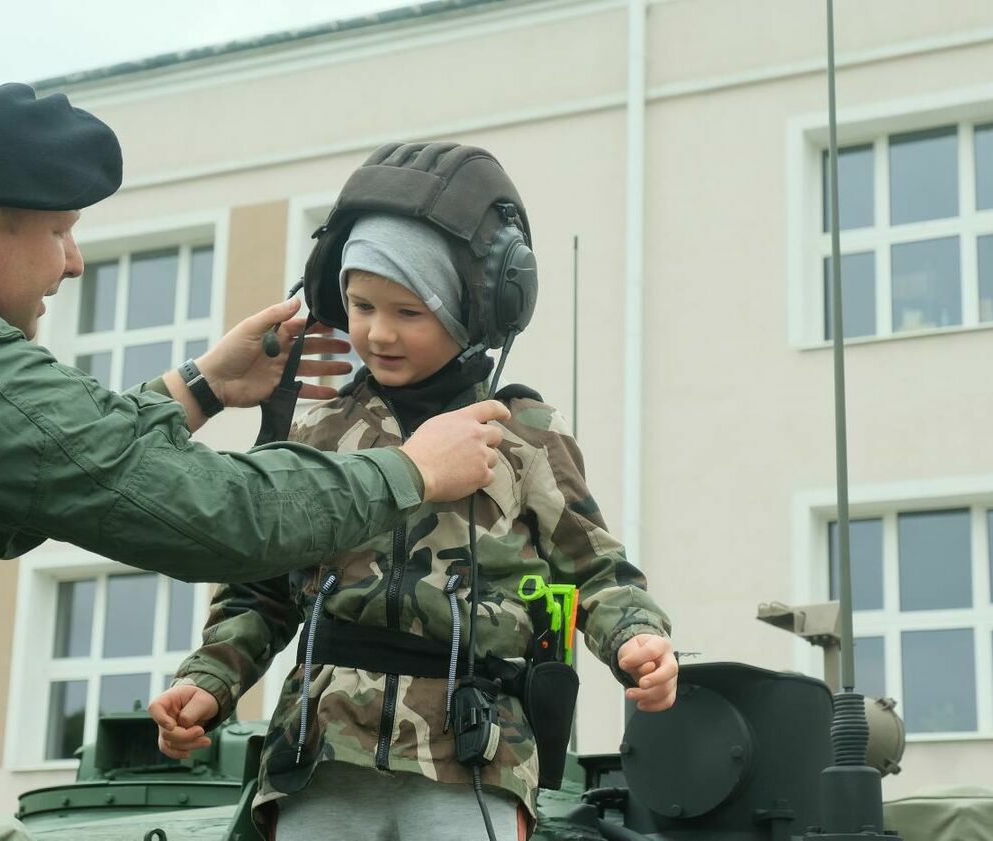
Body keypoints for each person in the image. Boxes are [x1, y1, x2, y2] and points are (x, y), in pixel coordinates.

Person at [0, 78, 508, 838]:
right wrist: (412, 470)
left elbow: (37, 472)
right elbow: (227, 516)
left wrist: (202, 386)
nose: (73, 265)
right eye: (58, 232)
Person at [151, 144, 677, 841]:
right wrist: (210, 680)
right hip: (319, 755)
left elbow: (599, 573)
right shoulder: (317, 430)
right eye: (362, 304)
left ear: (471, 309)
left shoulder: (523, 437)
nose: (378, 331)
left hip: (470, 764)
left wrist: (638, 639)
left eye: (409, 310)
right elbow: (261, 589)